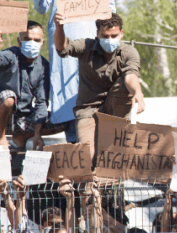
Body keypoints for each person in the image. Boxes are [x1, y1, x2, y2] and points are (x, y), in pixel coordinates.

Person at [34, 0, 117, 142]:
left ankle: (97, 142)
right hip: (64, 42)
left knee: (92, 88)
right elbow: (42, 9)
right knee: (66, 90)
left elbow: (109, 7)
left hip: (91, 42)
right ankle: (74, 144)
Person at [54, 11, 145, 154]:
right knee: (88, 156)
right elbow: (63, 48)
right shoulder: (86, 46)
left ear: (121, 33)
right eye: (105, 36)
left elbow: (130, 76)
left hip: (116, 109)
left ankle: (119, 131)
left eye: (114, 36)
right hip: (88, 110)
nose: (109, 40)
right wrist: (59, 28)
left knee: (125, 85)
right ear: (97, 34)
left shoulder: (129, 52)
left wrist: (137, 93)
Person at [0, 21, 63, 150]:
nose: (32, 43)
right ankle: (0, 138)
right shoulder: (11, 55)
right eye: (27, 39)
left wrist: (37, 134)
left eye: (36, 40)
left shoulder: (44, 66)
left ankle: (22, 136)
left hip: (21, 120)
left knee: (63, 119)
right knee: (9, 97)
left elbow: (41, 102)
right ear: (19, 41)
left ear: (42, 42)